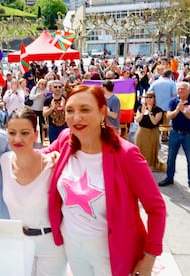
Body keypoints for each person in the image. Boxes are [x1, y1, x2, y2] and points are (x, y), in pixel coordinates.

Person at [42, 85, 166, 275]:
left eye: (85, 109)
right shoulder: (66, 139)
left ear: (102, 113)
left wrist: (149, 257)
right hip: (73, 249)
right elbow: (36, 156)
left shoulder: (126, 154)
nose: (76, 118)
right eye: (70, 110)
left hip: (113, 255)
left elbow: (156, 209)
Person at [0, 108, 67, 276]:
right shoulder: (3, 161)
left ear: (36, 135)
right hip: (19, 242)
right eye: (12, 132)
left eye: (24, 133)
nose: (17, 139)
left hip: (51, 245)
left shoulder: (53, 165)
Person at [158, 81, 190, 195]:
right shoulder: (173, 101)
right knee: (171, 157)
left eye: (183, 89)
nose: (180, 91)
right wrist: (176, 110)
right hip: (175, 133)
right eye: (179, 89)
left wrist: (184, 110)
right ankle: (169, 178)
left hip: (189, 135)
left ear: (189, 90)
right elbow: (169, 115)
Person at [134, 91, 164, 170]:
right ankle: (139, 166)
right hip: (142, 131)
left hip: (152, 132)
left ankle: (150, 167)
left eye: (150, 97)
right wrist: (142, 113)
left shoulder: (158, 110)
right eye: (147, 97)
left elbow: (154, 122)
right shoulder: (141, 108)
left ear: (154, 99)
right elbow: (137, 120)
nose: (148, 99)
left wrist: (150, 112)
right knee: (139, 149)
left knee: (150, 151)